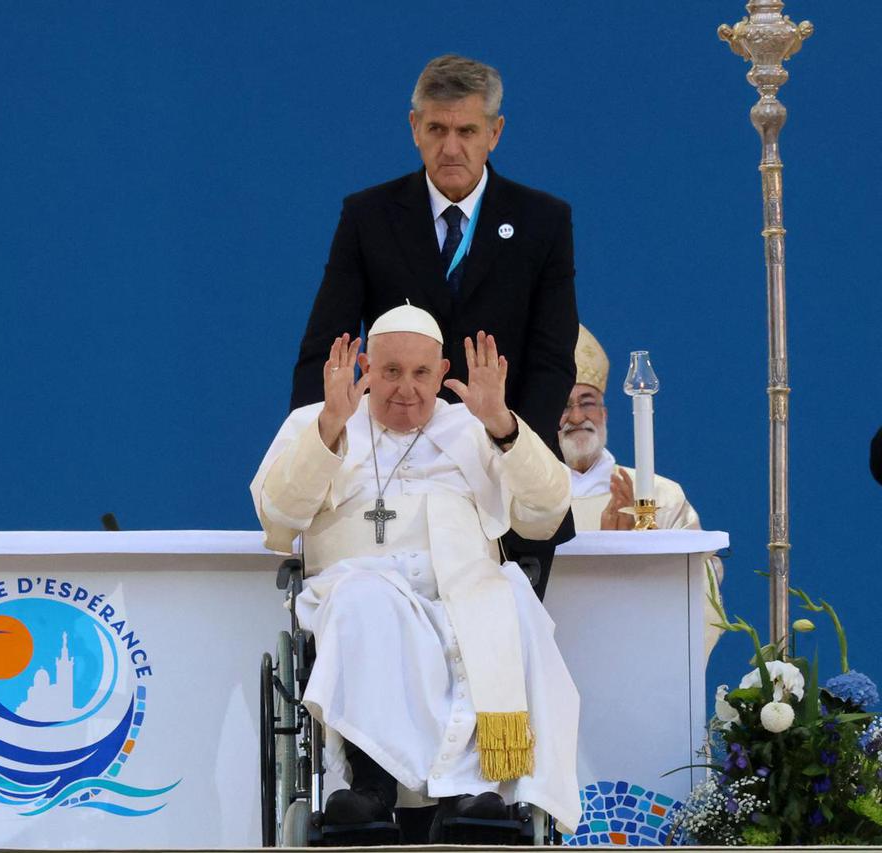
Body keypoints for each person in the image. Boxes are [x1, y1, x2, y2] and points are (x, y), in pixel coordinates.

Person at [252, 304, 580, 839]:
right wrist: (329, 427)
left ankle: (477, 792)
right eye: (390, 372)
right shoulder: (319, 421)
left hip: (464, 587)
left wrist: (501, 422)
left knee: (506, 603)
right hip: (358, 584)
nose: (406, 389)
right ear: (365, 367)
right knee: (367, 600)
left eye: (421, 373)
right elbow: (278, 516)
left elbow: (545, 514)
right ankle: (371, 785)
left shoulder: (474, 429)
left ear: (442, 371)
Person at [289, 53, 578, 598]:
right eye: (437, 129)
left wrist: (510, 452)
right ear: (414, 128)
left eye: (467, 130)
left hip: (501, 485)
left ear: (495, 132)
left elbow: (551, 357)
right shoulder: (367, 217)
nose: (451, 147)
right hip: (384, 487)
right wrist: (313, 455)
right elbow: (324, 348)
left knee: (494, 664)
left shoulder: (543, 221)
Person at [559, 324, 724, 654]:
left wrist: (641, 551)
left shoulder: (662, 496)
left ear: (604, 413)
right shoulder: (531, 498)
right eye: (564, 405)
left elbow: (701, 586)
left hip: (643, 659)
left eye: (587, 402)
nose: (576, 416)